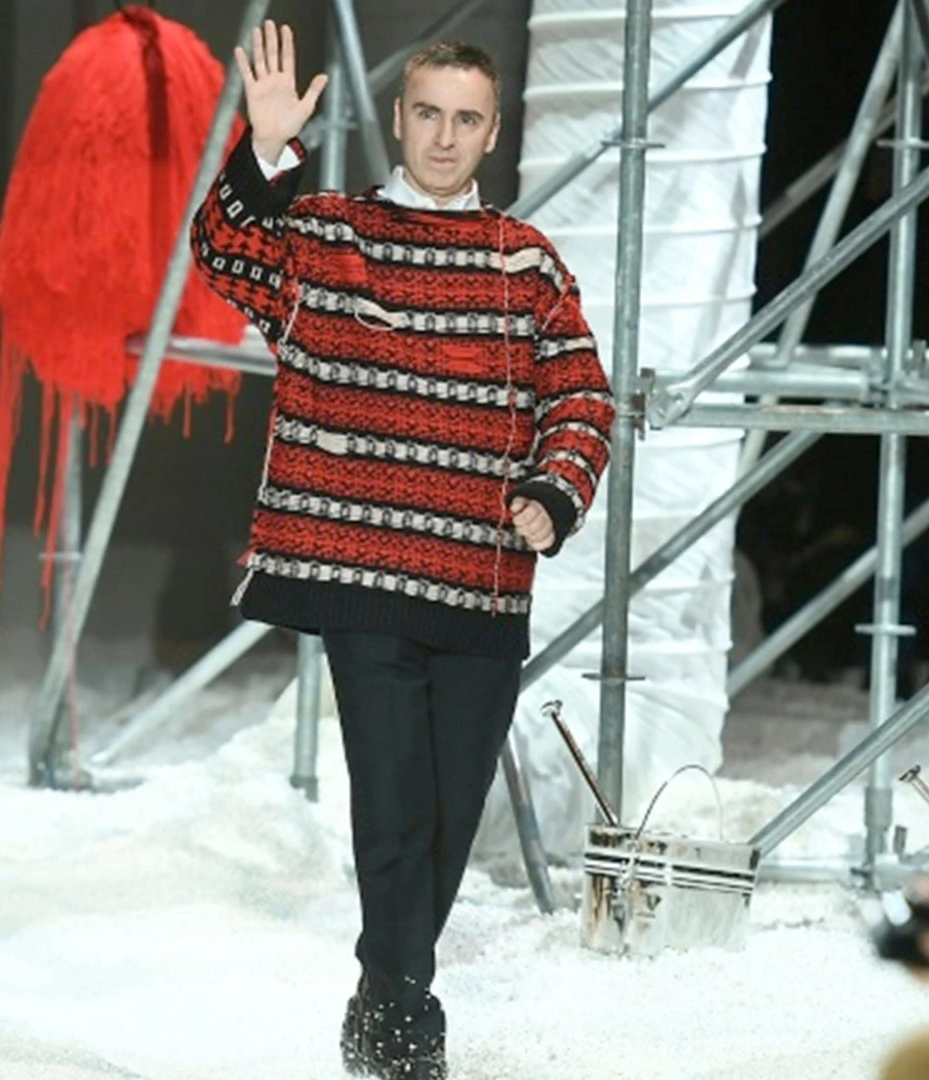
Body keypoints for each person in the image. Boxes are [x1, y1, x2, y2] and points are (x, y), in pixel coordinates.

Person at [191, 25, 614, 1080]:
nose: (445, 137)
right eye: (428, 113)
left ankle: (382, 996)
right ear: (399, 116)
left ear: (494, 132)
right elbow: (224, 250)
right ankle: (402, 1022)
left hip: (480, 580)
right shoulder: (328, 235)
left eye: (467, 119)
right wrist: (266, 150)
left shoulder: (525, 262)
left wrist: (554, 492)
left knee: (448, 816)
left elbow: (581, 394)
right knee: (391, 804)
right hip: (362, 570)